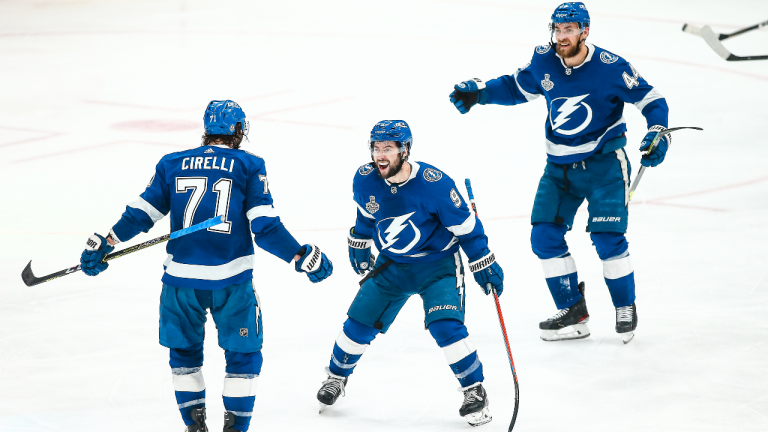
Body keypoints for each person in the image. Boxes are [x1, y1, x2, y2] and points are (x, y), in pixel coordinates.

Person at [79, 100, 333, 432]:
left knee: (184, 356)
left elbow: (142, 213)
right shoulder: (249, 165)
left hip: (181, 284)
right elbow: (264, 227)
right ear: (238, 131)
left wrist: (108, 240)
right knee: (243, 357)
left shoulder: (172, 163)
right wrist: (300, 256)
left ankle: (194, 426)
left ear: (206, 130)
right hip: (231, 284)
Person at [449, 2, 670, 344]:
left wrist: (658, 130)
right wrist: (481, 94)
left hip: (605, 166)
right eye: (557, 29)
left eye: (569, 29)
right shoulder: (544, 59)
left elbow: (652, 99)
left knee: (607, 239)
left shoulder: (611, 67)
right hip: (559, 169)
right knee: (544, 237)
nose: (562, 36)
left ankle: (625, 306)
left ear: (585, 31)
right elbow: (515, 87)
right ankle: (573, 313)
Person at [314, 120, 504, 426]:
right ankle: (336, 378)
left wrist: (482, 260)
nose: (380, 155)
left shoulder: (435, 184)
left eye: (388, 148)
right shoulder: (364, 179)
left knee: (446, 327)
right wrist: (360, 240)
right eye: (376, 148)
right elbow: (366, 213)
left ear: (405, 150)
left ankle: (474, 391)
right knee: (358, 325)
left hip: (437, 267)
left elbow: (467, 229)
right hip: (392, 266)